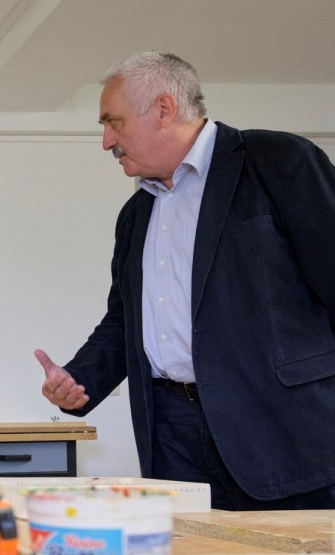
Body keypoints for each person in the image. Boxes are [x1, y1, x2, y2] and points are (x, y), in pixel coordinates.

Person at [36, 51, 335, 510]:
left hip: (281, 433)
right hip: (172, 437)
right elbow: (124, 322)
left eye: (112, 122)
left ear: (163, 109)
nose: (106, 141)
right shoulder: (136, 214)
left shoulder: (279, 162)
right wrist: (78, 382)